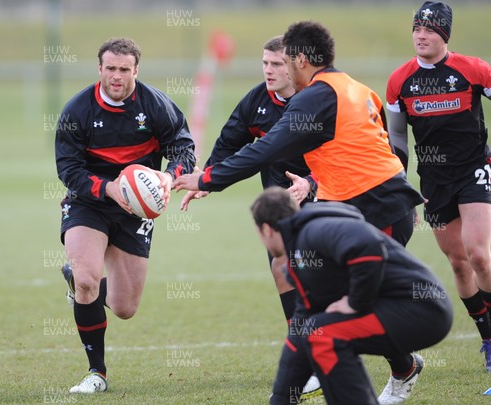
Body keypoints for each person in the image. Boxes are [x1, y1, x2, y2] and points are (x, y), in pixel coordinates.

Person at [173, 21, 426, 404]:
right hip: (351, 210)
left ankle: (397, 368)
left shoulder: (315, 96)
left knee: (354, 306)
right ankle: (303, 384)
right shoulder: (356, 88)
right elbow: (389, 147)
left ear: (301, 60)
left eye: (285, 61)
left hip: (378, 209)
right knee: (314, 293)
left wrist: (206, 179)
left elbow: (268, 148)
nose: (281, 69)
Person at [180, 35, 321, 399]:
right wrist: (206, 179)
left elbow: (345, 152)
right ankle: (308, 355)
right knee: (282, 268)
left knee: (322, 275)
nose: (269, 71)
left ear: (295, 65)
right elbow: (229, 143)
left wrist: (310, 182)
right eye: (265, 63)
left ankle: (387, 348)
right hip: (279, 206)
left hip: (329, 195)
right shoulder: (256, 101)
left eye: (277, 64)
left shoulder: (317, 100)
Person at [55, 37, 196, 394]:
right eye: (110, 69)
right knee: (89, 279)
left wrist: (167, 175)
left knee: (124, 307)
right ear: (99, 69)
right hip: (90, 202)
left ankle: (78, 282)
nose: (116, 76)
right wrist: (108, 189)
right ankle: (96, 373)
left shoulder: (155, 105)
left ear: (136, 70)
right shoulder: (77, 111)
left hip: (135, 209)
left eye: (124, 70)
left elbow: (183, 147)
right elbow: (68, 169)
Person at [250, 187, 453, 405]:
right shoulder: (299, 252)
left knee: (324, 335)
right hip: (418, 309)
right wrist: (280, 399)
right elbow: (302, 328)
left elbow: (369, 246)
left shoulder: (315, 230)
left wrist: (355, 302)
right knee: (316, 331)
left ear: (266, 230)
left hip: (425, 309)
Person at [386, 1, 491, 371]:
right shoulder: (400, 81)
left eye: (430, 29)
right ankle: (487, 338)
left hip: (475, 170)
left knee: (479, 253)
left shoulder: (474, 70)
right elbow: (397, 142)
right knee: (460, 264)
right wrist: (403, 193)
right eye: (417, 28)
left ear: (444, 34)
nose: (421, 35)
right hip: (433, 181)